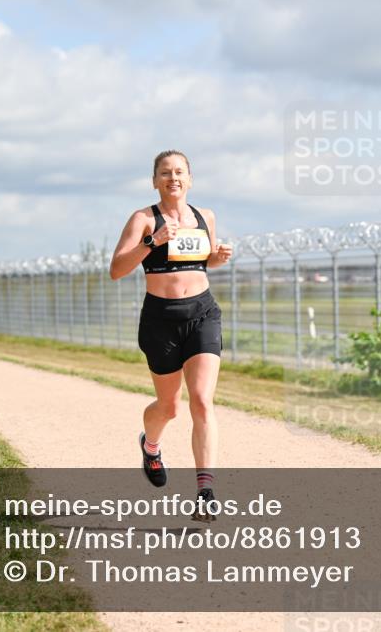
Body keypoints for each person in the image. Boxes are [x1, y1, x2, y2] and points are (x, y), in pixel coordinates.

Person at [109, 150, 233, 522]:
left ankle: (205, 491)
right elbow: (116, 269)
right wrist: (152, 241)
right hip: (160, 319)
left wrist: (218, 256)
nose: (173, 178)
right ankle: (150, 446)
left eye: (179, 172)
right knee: (169, 408)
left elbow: (202, 259)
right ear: (155, 180)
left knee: (201, 400)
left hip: (202, 313)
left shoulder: (204, 217)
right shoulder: (143, 219)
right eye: (165, 173)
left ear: (190, 179)